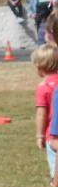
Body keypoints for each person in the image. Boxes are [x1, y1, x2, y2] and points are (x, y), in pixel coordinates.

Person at [34, 44, 58, 179]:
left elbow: (41, 114)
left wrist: (40, 136)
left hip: (52, 135)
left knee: (55, 174)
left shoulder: (43, 87)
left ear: (39, 67)